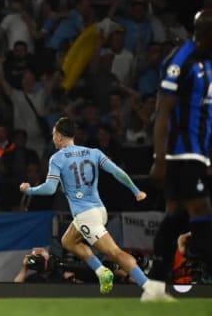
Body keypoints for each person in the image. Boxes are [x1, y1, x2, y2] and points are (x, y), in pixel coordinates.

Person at [150, 9, 212, 301]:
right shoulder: (180, 61)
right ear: (210, 33)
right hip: (180, 154)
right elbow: (163, 112)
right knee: (201, 214)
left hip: (197, 153)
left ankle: (154, 287)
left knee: (175, 217)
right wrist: (159, 159)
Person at [20, 117, 173, 301]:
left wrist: (30, 189)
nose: (53, 138)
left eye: (54, 134)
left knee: (115, 253)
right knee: (68, 241)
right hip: (99, 210)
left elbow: (50, 188)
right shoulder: (93, 152)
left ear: (60, 136)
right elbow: (117, 171)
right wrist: (136, 191)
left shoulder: (57, 158)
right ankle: (102, 272)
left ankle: (150, 288)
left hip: (86, 215)